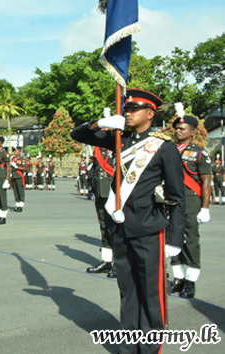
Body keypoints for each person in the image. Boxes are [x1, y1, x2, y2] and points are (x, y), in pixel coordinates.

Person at [71, 89, 185, 354]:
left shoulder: (163, 147)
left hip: (148, 228)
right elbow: (78, 134)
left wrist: (175, 238)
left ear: (149, 113)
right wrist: (101, 124)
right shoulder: (119, 139)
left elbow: (177, 197)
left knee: (151, 293)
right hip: (120, 227)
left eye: (134, 110)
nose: (128, 113)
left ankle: (149, 348)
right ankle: (128, 345)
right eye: (127, 109)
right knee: (128, 290)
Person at [169, 109, 212, 299]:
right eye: (177, 128)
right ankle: (178, 278)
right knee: (172, 239)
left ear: (192, 132)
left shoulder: (199, 153)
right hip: (170, 201)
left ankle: (191, 280)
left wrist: (205, 207)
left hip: (190, 201)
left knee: (190, 240)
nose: (178, 131)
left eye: (182, 128)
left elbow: (206, 182)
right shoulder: (168, 150)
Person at [85, 146, 117, 278]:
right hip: (99, 189)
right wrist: (90, 185)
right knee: (103, 226)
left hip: (111, 190)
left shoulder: (117, 146)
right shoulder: (98, 149)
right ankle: (106, 261)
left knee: (114, 229)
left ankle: (118, 263)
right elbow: (93, 169)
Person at [10, 147, 26, 212]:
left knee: (20, 191)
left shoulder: (22, 159)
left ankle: (21, 205)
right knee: (15, 191)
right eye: (14, 151)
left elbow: (24, 168)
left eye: (16, 151)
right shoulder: (13, 159)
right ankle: (17, 204)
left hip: (19, 176)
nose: (14, 152)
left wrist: (16, 167)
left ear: (19, 152)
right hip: (14, 176)